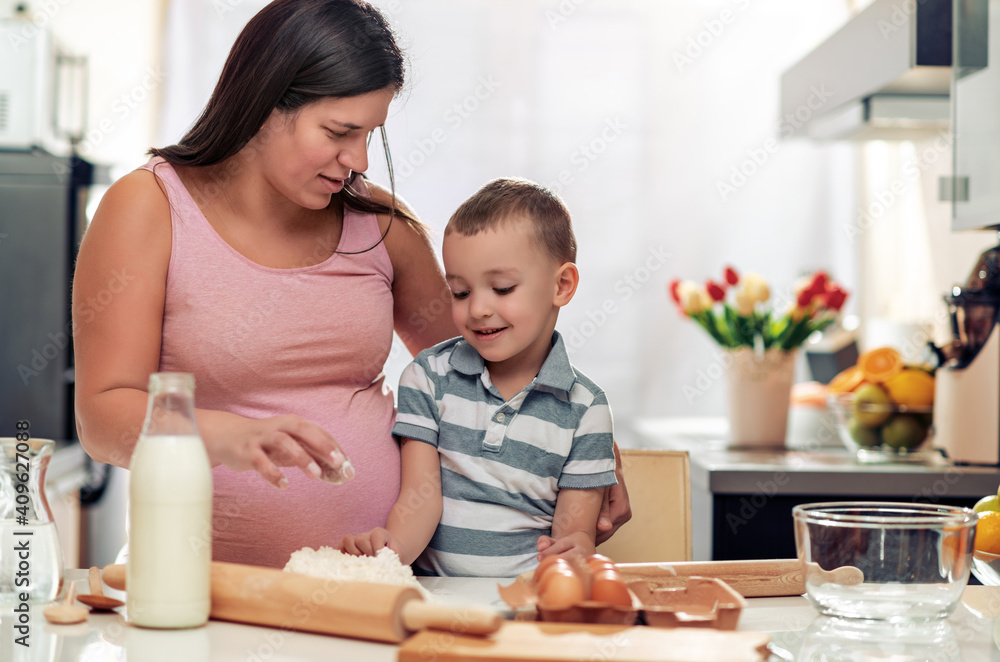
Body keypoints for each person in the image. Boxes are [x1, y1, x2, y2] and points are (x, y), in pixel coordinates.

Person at [72, 0, 630, 570]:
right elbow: (103, 418)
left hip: (373, 593)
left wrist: (589, 463)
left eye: (370, 134)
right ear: (265, 104)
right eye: (340, 131)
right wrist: (226, 437)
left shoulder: (382, 226)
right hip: (197, 589)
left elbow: (487, 369)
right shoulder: (149, 208)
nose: (358, 159)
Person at [339, 178, 617, 577]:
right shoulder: (428, 378)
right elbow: (421, 497)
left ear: (562, 285)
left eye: (502, 288)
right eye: (460, 292)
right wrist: (390, 554)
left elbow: (571, 534)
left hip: (527, 607)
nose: (478, 310)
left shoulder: (587, 410)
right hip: (433, 599)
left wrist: (577, 551)